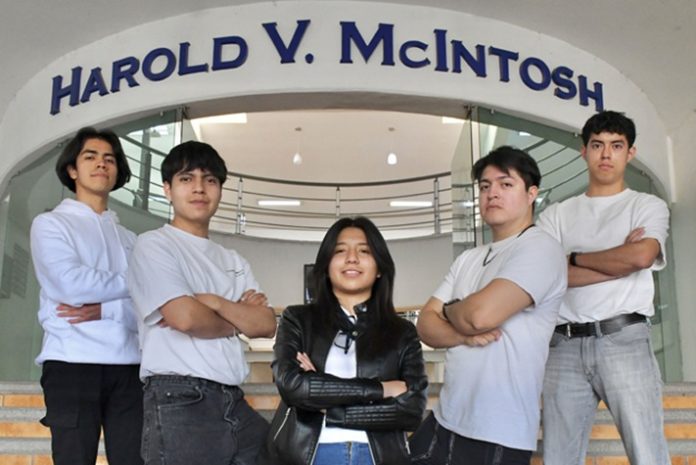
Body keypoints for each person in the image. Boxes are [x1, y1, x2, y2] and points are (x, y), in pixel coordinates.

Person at [409, 146, 567, 465]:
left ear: (531, 193)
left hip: (499, 432)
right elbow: (425, 326)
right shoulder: (469, 258)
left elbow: (480, 317)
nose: (492, 193)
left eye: (505, 184)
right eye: (485, 186)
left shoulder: (541, 248)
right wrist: (462, 335)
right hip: (446, 419)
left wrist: (449, 310)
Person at [127, 141, 277, 465]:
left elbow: (266, 324)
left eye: (209, 179)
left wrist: (215, 303)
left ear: (220, 190)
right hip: (179, 398)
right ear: (167, 189)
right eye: (186, 179)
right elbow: (185, 318)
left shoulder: (233, 259)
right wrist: (239, 320)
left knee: (279, 454)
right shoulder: (154, 245)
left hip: (231, 399)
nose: (199, 188)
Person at [538, 111, 671, 465]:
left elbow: (642, 256)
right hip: (563, 345)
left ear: (631, 152)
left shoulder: (646, 205)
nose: (606, 154)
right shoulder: (556, 214)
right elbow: (548, 277)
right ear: (584, 151)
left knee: (648, 455)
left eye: (617, 145)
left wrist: (575, 258)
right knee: (558, 458)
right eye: (597, 145)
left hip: (624, 338)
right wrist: (618, 264)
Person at [257, 216, 428, 465]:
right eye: (340, 250)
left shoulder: (402, 332)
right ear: (326, 265)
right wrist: (382, 389)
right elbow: (292, 386)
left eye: (364, 251)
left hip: (377, 458)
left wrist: (329, 405)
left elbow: (412, 410)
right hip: (306, 456)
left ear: (380, 268)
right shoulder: (298, 319)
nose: (352, 258)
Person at [30, 127, 142, 465]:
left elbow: (149, 307)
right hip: (71, 362)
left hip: (130, 366)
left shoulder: (131, 239)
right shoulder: (51, 224)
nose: (101, 164)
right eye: (90, 157)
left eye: (110, 159)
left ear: (118, 171)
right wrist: (134, 282)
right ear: (72, 169)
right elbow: (70, 286)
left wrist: (106, 309)